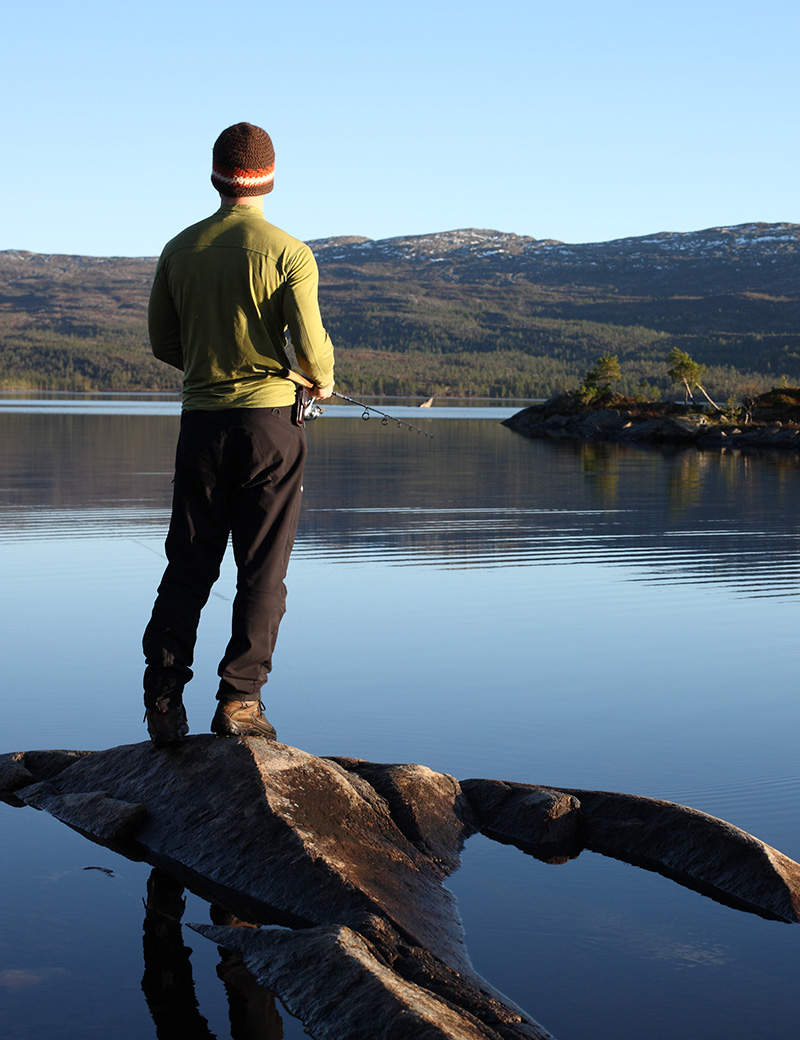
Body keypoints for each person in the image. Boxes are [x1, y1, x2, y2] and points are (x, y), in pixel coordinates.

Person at [142, 122, 334, 747]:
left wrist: (209, 367)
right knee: (262, 570)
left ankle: (164, 701)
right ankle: (240, 704)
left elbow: (164, 343)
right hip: (271, 427)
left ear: (216, 176)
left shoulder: (179, 249)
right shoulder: (288, 252)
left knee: (187, 565)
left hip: (200, 425)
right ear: (269, 179)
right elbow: (311, 351)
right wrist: (320, 382)